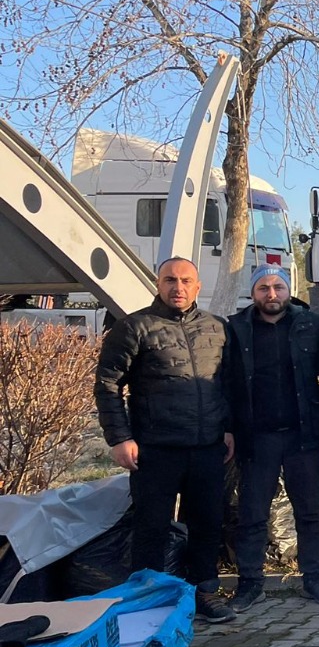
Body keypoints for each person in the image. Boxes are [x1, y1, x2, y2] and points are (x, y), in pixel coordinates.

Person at [94, 257, 235, 624]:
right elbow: (108, 385)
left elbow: (228, 385)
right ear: (158, 283)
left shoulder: (216, 328)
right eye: (170, 280)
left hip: (207, 446)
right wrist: (119, 437)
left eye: (186, 280)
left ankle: (204, 593)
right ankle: (149, 600)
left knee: (207, 523)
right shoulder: (134, 327)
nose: (178, 287)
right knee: (151, 526)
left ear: (198, 286)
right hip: (155, 448)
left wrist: (230, 428)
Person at [224, 264, 319, 608]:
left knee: (310, 512)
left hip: (303, 434)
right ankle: (250, 583)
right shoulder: (235, 329)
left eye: (278, 287)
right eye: (263, 288)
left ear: (288, 290)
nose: (271, 294)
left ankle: (315, 579)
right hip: (257, 437)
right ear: (253, 292)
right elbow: (225, 383)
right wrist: (228, 428)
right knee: (253, 512)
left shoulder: (311, 324)